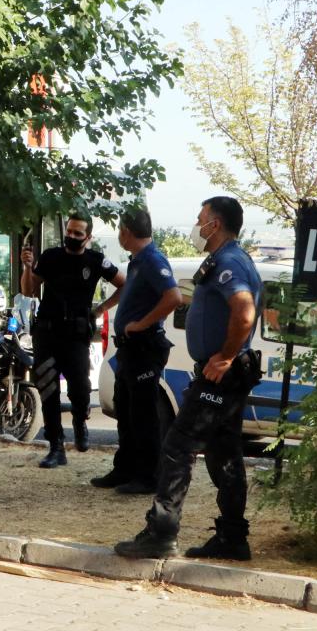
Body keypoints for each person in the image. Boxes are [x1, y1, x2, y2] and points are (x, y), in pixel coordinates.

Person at [115, 197, 263, 561]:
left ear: (215, 224)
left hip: (222, 374)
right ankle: (232, 538)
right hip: (226, 374)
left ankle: (161, 532)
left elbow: (244, 311)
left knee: (177, 445)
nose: (196, 226)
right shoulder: (227, 259)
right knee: (224, 455)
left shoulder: (230, 261)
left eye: (200, 219)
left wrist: (225, 356)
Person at [20, 213, 124, 468]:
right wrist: (27, 268)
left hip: (77, 337)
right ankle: (56, 447)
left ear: (88, 237)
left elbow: (124, 284)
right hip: (47, 333)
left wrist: (100, 310)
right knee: (48, 390)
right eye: (70, 231)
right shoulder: (51, 257)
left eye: (78, 233)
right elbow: (28, 290)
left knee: (80, 389)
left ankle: (80, 420)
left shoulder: (96, 260)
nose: (72, 237)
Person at [90, 208, 182, 495]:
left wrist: (141, 324)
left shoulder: (153, 261)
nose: (119, 235)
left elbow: (174, 297)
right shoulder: (136, 263)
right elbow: (131, 291)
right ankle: (125, 468)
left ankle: (148, 476)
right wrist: (104, 308)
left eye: (119, 229)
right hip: (129, 350)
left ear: (126, 231)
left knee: (144, 415)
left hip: (145, 347)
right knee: (126, 410)